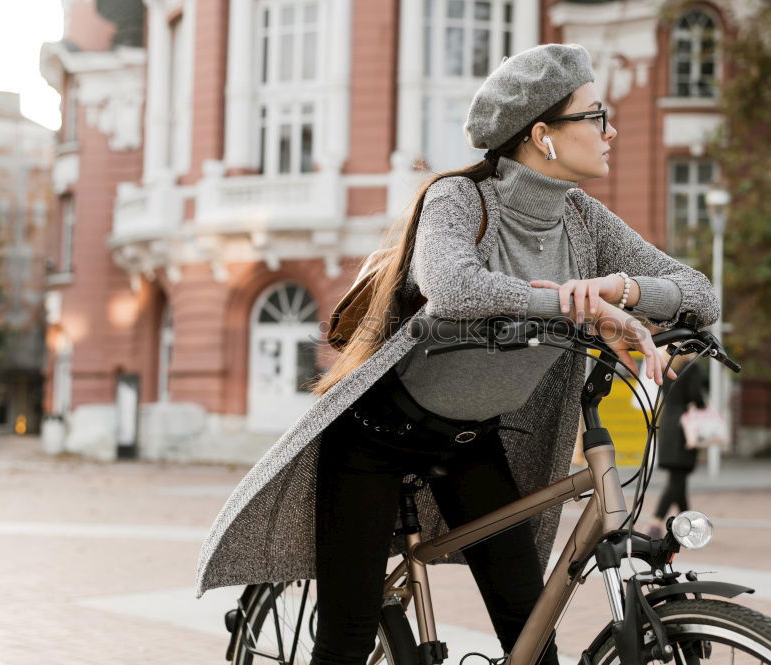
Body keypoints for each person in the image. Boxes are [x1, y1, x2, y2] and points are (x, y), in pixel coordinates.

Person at [196, 44, 720, 665]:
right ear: (543, 135)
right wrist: (576, 307)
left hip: (470, 441)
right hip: (373, 439)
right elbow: (455, 286)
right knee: (346, 639)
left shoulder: (584, 219)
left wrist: (622, 289)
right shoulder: (460, 201)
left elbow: (701, 294)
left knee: (531, 639)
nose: (612, 130)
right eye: (595, 115)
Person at [646, 353, 707, 538]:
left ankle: (689, 527)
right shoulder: (691, 367)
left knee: (678, 478)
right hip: (684, 427)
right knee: (677, 480)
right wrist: (702, 404)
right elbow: (696, 396)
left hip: (668, 421)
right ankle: (655, 523)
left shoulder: (667, 367)